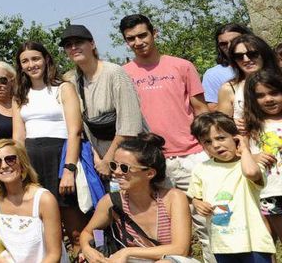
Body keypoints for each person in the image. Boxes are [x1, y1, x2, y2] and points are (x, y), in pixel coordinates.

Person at [11, 40, 87, 252]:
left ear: (45, 59)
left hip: (61, 159)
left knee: (75, 233)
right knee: (41, 231)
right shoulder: (19, 95)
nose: (31, 64)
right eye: (25, 61)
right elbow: (18, 136)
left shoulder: (63, 88)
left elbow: (75, 131)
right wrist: (19, 170)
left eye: (35, 58)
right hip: (32, 163)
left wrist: (69, 169)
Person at [120, 14, 211, 185]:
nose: (138, 42)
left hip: (192, 155)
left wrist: (208, 147)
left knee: (204, 210)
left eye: (142, 35)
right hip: (151, 159)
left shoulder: (183, 66)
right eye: (131, 38)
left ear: (154, 33)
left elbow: (201, 110)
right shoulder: (123, 74)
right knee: (162, 211)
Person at [78, 133, 192, 262]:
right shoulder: (111, 201)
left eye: (125, 168)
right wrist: (88, 249)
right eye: (114, 165)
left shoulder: (173, 198)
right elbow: (89, 232)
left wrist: (127, 252)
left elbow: (181, 249)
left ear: (149, 173)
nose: (116, 172)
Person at [60, 24, 145, 182]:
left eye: (78, 42)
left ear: (92, 44)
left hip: (127, 162)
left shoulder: (114, 73)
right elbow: (80, 129)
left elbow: (129, 126)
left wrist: (108, 160)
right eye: (68, 45)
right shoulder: (73, 81)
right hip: (97, 164)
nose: (73, 47)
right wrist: (97, 159)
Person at [187, 112, 274, 263]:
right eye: (207, 142)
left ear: (235, 138)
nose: (215, 145)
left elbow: (251, 173)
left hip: (253, 242)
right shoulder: (201, 169)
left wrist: (245, 149)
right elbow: (195, 197)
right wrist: (198, 204)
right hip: (222, 244)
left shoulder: (249, 164)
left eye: (221, 138)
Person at [0, 140, 61, 263]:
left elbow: (54, 255)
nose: (4, 166)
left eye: (10, 159)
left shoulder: (44, 199)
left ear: (22, 163)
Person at [242, 69, 282, 237]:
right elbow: (239, 154)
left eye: (274, 93)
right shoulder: (249, 126)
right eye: (260, 95)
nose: (268, 99)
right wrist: (253, 157)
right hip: (271, 191)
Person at [224, 34, 282, 124]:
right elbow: (221, 128)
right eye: (239, 56)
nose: (246, 59)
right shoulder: (228, 88)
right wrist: (235, 127)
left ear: (264, 54)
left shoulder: (280, 80)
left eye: (252, 54)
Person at [205, 24, 252, 106]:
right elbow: (213, 108)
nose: (230, 46)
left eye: (235, 41)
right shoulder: (213, 74)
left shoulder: (266, 64)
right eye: (223, 44)